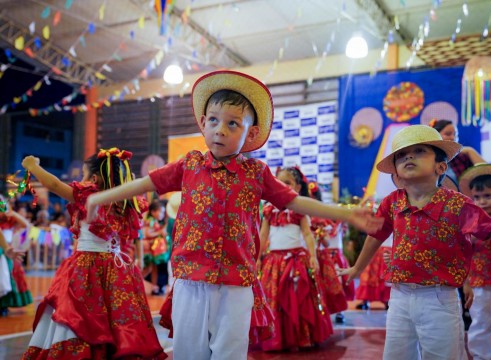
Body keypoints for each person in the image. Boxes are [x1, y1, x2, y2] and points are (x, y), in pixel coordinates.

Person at [85, 70, 383, 360]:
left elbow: (294, 202)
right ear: (203, 123)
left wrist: (345, 214)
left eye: (232, 124)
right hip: (191, 280)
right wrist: (101, 196)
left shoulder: (256, 173)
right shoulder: (188, 165)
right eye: (213, 120)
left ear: (251, 133)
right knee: (189, 353)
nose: (220, 130)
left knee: (230, 353)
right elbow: (147, 183)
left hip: (236, 283)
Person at [340, 125, 491, 360]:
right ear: (396, 170)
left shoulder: (458, 204)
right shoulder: (392, 202)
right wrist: (357, 268)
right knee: (396, 355)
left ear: (440, 167)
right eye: (402, 155)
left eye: (419, 151)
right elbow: (375, 235)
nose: (409, 157)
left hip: (439, 298)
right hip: (399, 296)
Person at [21, 149, 167, 359]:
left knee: (82, 315)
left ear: (95, 178)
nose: (81, 180)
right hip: (118, 270)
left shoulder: (88, 195)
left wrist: (33, 166)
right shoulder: (126, 203)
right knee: (116, 320)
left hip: (87, 267)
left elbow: (53, 185)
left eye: (83, 174)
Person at [258, 167, 333, 351]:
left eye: (287, 183)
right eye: (278, 182)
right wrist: (258, 257)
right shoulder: (268, 210)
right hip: (274, 261)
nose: (282, 186)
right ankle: (278, 339)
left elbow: (307, 234)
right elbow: (263, 235)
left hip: (296, 260)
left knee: (298, 298)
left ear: (297, 187)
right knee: (274, 298)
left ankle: (302, 337)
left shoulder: (300, 209)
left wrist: (313, 256)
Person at [429, 118, 485, 330]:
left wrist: (470, 152)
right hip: (442, 218)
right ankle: (453, 310)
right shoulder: (430, 161)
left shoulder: (463, 158)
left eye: (455, 134)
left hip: (465, 215)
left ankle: (470, 310)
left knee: (467, 258)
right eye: (448, 133)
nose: (453, 138)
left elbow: (486, 170)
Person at [459, 164, 491, 360]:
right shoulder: (471, 222)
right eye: (477, 197)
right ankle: (480, 356)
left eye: (488, 196)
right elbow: (463, 254)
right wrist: (466, 282)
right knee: (480, 322)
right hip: (479, 283)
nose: (482, 202)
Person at [309, 181, 351, 323]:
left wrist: (319, 232)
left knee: (333, 285)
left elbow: (327, 240)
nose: (311, 198)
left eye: (313, 195)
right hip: (308, 255)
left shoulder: (322, 217)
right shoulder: (302, 215)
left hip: (324, 255)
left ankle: (337, 312)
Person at [0, 205, 32, 316]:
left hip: (7, 250)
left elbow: (26, 224)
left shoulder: (10, 220)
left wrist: (12, 213)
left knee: (9, 277)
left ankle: (4, 305)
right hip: (5, 250)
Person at [142, 199, 169, 295]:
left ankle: (154, 286)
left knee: (154, 268)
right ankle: (137, 282)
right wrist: (159, 233)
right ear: (153, 212)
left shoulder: (157, 221)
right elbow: (147, 233)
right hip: (148, 249)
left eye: (163, 212)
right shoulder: (151, 221)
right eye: (160, 212)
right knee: (148, 268)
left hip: (153, 250)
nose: (162, 214)